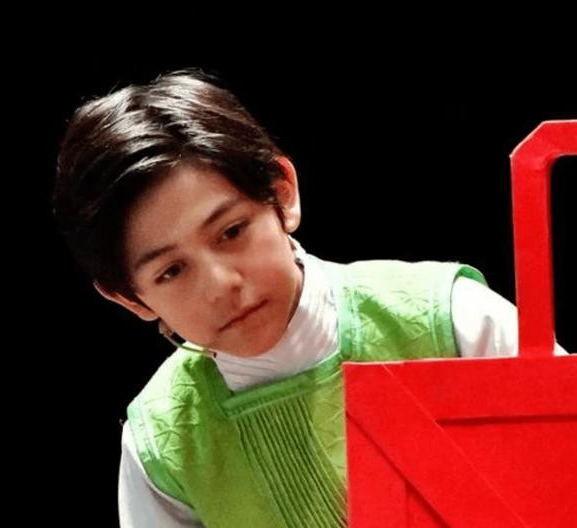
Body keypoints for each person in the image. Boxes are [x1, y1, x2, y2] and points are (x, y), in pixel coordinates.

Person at [52, 69, 567, 527]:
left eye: (231, 231)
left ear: (282, 192)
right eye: (171, 271)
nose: (221, 284)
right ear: (130, 298)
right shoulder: (161, 447)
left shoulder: (451, 318)